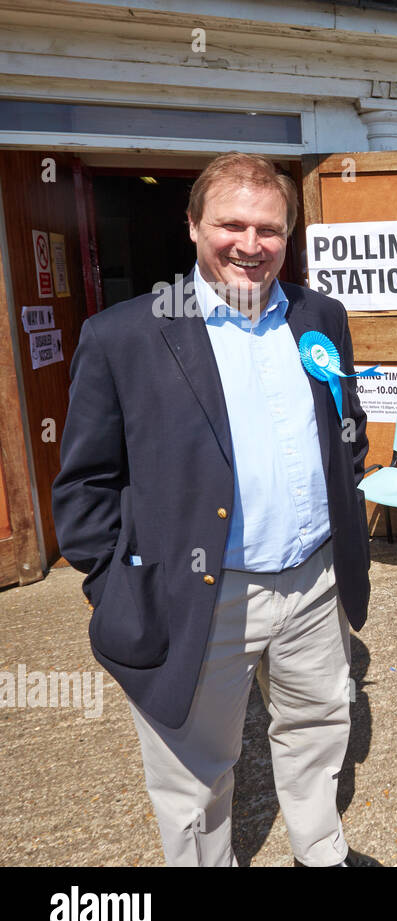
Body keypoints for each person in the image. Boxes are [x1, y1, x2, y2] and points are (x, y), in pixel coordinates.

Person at [52, 152, 374, 867]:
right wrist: (120, 586)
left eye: (270, 230)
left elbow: (344, 429)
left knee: (320, 725)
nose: (251, 246)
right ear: (194, 225)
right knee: (193, 770)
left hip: (315, 582)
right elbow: (84, 486)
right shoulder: (126, 336)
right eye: (232, 224)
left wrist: (342, 515)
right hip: (204, 590)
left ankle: (319, 850)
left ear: (290, 236)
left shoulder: (321, 317)